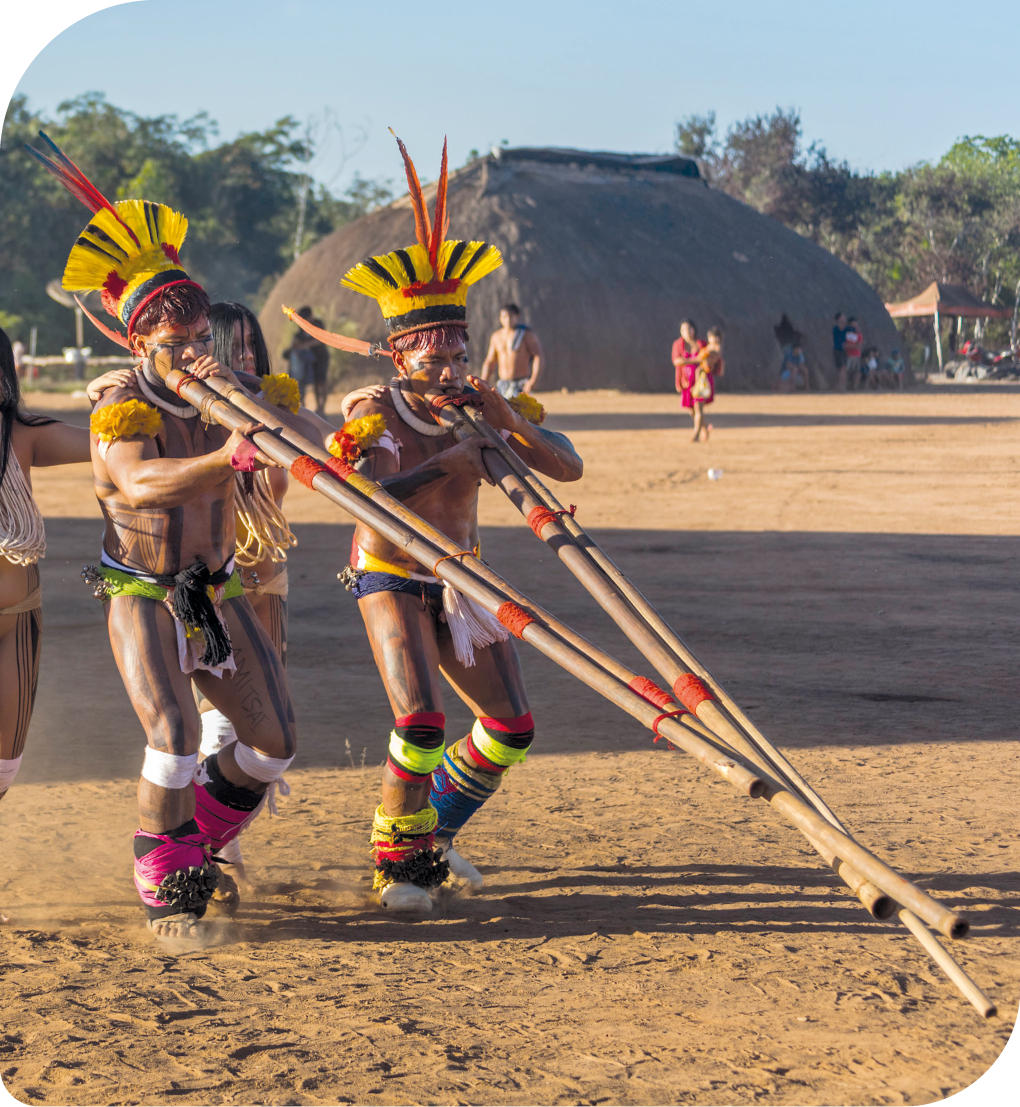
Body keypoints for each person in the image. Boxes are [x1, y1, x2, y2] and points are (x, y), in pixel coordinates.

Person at [29, 133, 299, 942]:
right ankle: (166, 879)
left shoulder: (226, 394)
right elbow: (140, 483)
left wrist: (319, 437)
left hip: (214, 590)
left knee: (276, 742)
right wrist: (229, 455)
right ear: (139, 342)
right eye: (172, 343)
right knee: (175, 736)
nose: (189, 353)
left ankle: (186, 844)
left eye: (196, 339)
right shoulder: (121, 405)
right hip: (145, 592)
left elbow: (304, 432)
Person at [313, 135, 582, 916]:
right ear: (401, 356)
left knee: (509, 726)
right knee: (423, 719)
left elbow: (566, 469)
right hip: (390, 573)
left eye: (455, 350)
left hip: (458, 579)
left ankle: (429, 829)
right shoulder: (370, 411)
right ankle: (397, 864)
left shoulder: (483, 405)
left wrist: (502, 418)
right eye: (431, 353)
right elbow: (362, 497)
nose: (447, 365)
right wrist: (452, 462)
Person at [1, 326, 133, 808]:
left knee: (4, 765)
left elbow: (111, 440)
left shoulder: (22, 434)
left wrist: (118, 395)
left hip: (18, 621)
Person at [480, 303, 544, 398]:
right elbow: (490, 361)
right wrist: (483, 382)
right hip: (502, 385)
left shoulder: (525, 334)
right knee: (500, 411)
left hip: (521, 384)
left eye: (511, 316)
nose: (507, 319)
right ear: (500, 318)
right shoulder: (496, 337)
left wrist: (533, 380)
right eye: (504, 316)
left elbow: (538, 356)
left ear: (517, 316)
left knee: (520, 412)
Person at [280, 306, 330, 415]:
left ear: (310, 317)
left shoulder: (318, 324)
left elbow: (321, 339)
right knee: (306, 382)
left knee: (320, 382)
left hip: (321, 357)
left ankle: (321, 407)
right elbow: (297, 340)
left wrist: (306, 345)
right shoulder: (302, 328)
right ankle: (312, 408)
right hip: (309, 359)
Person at [672, 319, 706, 432]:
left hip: (699, 382)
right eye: (683, 329)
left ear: (694, 329)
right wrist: (695, 360)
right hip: (686, 382)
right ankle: (704, 427)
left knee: (698, 407)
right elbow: (677, 361)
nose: (686, 331)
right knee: (691, 409)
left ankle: (696, 435)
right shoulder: (678, 345)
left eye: (689, 328)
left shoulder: (701, 344)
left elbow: (708, 359)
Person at [843, 318, 863, 389]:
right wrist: (853, 346)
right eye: (852, 325)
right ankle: (845, 386)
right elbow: (843, 345)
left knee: (856, 372)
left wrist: (849, 346)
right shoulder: (846, 334)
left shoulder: (859, 334)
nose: (854, 327)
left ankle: (855, 387)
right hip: (847, 355)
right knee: (846, 371)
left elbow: (859, 346)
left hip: (856, 355)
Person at [833, 312, 848, 390]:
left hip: (842, 350)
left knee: (843, 368)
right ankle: (839, 386)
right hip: (838, 350)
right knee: (841, 368)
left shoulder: (844, 328)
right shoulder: (836, 328)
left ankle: (842, 385)